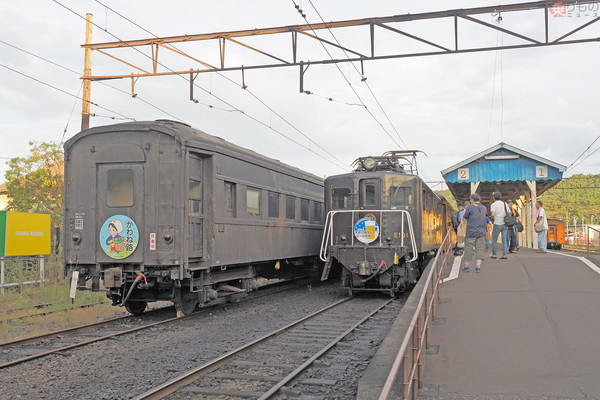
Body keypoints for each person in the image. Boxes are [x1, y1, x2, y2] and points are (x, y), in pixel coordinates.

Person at [462, 193, 487, 273]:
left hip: (471, 232)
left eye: (470, 199)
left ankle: (467, 267)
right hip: (481, 231)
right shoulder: (484, 208)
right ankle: (478, 267)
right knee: (479, 249)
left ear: (472, 200)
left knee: (469, 248)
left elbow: (465, 217)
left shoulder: (469, 208)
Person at [490, 191, 509, 259]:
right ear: (500, 197)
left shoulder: (493, 204)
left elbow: (493, 214)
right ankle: (504, 255)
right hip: (505, 223)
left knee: (494, 239)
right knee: (504, 240)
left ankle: (494, 254)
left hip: (497, 223)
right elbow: (509, 212)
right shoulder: (505, 203)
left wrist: (493, 217)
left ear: (494, 197)